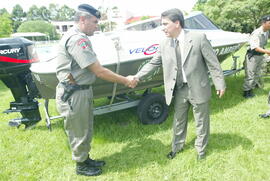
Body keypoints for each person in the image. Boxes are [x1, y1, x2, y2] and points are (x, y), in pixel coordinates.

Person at [131, 8, 226, 160]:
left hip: (198, 87)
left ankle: (200, 151)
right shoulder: (164, 43)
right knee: (178, 119)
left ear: (177, 23)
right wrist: (137, 77)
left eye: (165, 24)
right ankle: (176, 147)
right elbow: (153, 63)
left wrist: (220, 83)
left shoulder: (198, 38)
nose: (162, 27)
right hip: (180, 89)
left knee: (201, 121)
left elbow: (213, 63)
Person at [55, 4, 137, 177]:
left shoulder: (74, 36)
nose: (97, 25)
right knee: (79, 130)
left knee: (85, 128)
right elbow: (99, 71)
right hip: (74, 93)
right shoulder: (78, 39)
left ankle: (85, 158)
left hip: (78, 91)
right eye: (94, 21)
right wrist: (126, 81)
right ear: (82, 19)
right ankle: (81, 165)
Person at [242, 15, 270, 98]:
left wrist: (265, 52)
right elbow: (255, 47)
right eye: (269, 23)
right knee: (250, 74)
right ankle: (246, 92)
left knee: (257, 73)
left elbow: (262, 45)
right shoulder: (256, 33)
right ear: (263, 23)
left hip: (260, 56)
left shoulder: (267, 32)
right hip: (253, 56)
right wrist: (267, 51)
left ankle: (251, 89)